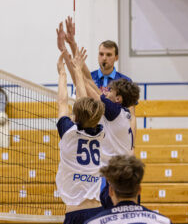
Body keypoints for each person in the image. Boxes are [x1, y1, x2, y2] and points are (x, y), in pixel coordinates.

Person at [57, 22, 141, 209]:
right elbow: (88, 81)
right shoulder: (117, 110)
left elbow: (86, 83)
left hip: (116, 167)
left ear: (117, 98)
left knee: (114, 212)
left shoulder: (114, 110)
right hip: (107, 164)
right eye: (101, 53)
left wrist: (64, 66)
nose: (107, 91)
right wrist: (71, 44)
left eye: (110, 91)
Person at [56, 49, 105, 224]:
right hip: (99, 215)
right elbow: (82, 102)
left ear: (76, 117)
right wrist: (76, 70)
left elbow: (64, 101)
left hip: (75, 218)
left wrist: (62, 73)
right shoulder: (101, 134)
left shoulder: (68, 136)